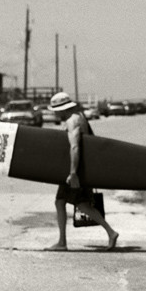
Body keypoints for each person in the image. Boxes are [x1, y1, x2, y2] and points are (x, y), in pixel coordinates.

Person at [47, 91, 119, 251]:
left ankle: (110, 232)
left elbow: (75, 147)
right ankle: (62, 241)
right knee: (65, 202)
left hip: (76, 171)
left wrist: (73, 174)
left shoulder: (72, 121)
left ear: (61, 109)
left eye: (56, 111)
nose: (55, 114)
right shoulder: (79, 117)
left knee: (80, 205)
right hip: (79, 169)